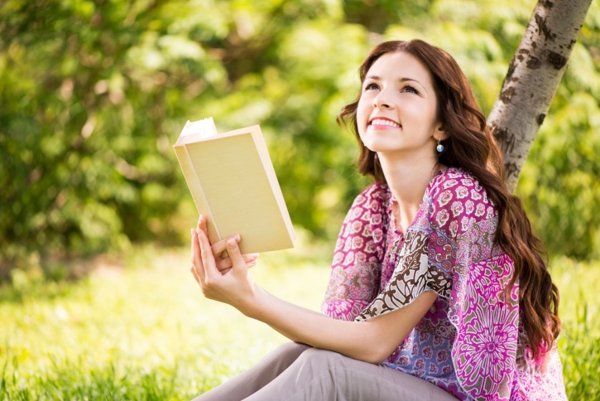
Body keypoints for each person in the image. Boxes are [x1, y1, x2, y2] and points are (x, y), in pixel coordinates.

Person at [189, 39, 567, 401]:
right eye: (373, 86)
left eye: (408, 90)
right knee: (298, 356)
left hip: (477, 398)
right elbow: (340, 336)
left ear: (442, 125)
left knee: (323, 372)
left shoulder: (459, 197)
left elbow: (374, 343)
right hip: (411, 384)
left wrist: (251, 299)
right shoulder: (373, 208)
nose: (383, 99)